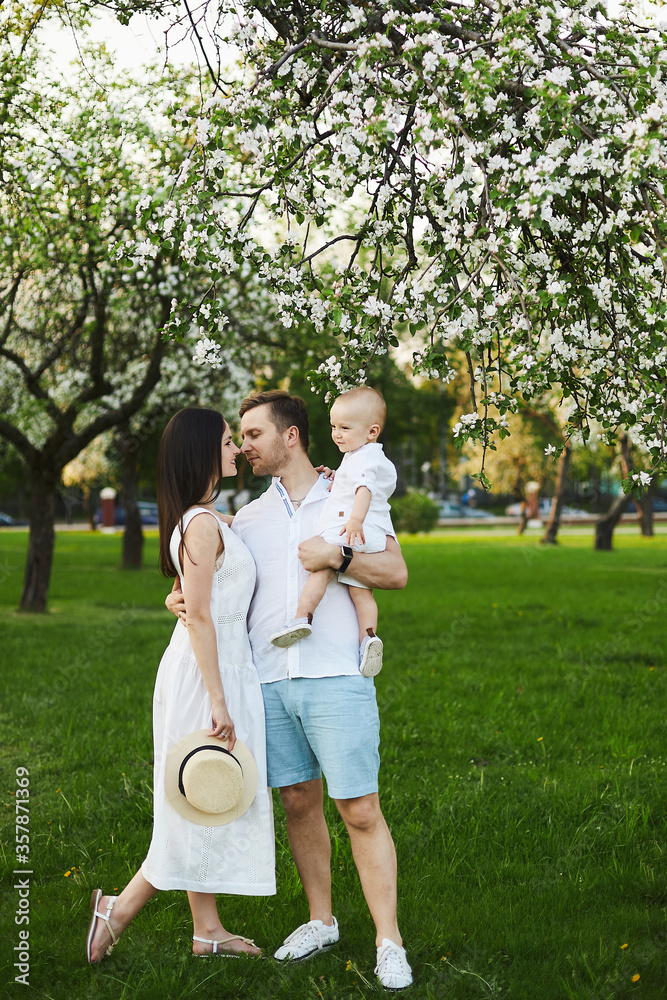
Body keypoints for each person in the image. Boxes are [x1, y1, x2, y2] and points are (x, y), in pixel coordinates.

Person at [168, 390, 413, 990]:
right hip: (269, 682)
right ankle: (320, 920)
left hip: (335, 675)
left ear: (292, 437)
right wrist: (177, 599)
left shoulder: (349, 495)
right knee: (299, 801)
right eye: (240, 437)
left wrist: (339, 552)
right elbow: (212, 587)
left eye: (252, 434)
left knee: (359, 808)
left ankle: (389, 940)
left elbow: (396, 572)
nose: (243, 446)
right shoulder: (245, 520)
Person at [85, 407, 275, 965]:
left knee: (207, 798)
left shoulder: (208, 519)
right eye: (225, 441)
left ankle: (207, 932)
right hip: (205, 673)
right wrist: (218, 697)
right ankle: (117, 911)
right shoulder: (202, 523)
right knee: (197, 796)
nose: (235, 449)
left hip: (219, 665)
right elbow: (197, 613)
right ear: (200, 452)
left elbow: (195, 597)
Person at [269, 386, 396, 680]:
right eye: (334, 427)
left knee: (320, 574)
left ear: (372, 431)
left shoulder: (363, 458)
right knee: (361, 594)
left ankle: (300, 618)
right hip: (371, 537)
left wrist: (354, 521)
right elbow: (356, 483)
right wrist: (337, 476)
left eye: (345, 428)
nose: (337, 434)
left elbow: (363, 490)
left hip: (351, 531)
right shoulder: (365, 456)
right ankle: (369, 639)